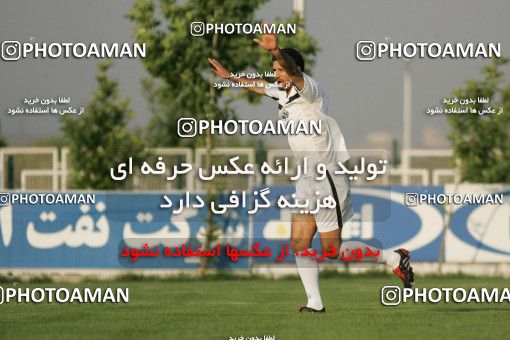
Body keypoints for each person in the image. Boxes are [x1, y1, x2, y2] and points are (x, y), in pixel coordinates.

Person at [208, 30, 414, 313]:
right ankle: (314, 303)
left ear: (294, 70)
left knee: (332, 250)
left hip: (326, 176)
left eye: (279, 69)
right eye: (275, 70)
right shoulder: (282, 91)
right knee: (299, 242)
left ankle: (391, 258)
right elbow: (257, 85)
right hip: (306, 178)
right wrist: (230, 77)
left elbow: (291, 71)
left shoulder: (311, 89)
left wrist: (276, 51)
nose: (276, 74)